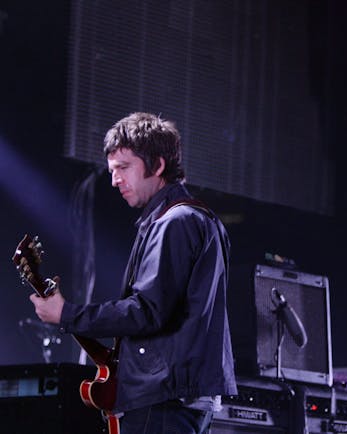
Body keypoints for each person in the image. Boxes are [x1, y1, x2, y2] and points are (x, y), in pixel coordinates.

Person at [29, 112, 237, 433]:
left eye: (123, 168)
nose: (114, 180)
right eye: (112, 171)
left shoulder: (175, 223)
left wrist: (67, 313)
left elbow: (147, 312)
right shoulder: (193, 219)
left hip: (163, 397)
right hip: (177, 394)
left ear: (157, 165)